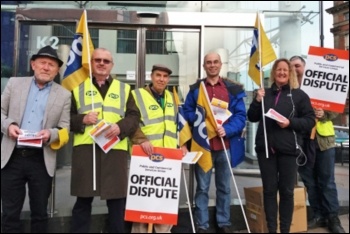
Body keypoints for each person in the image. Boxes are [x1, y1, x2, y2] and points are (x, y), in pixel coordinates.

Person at [1, 45, 71, 233]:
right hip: (12, 156)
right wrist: (9, 126)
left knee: (40, 213)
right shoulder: (14, 84)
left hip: (41, 158)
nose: (46, 67)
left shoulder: (64, 95)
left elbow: (65, 128)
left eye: (52, 65)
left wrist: (50, 134)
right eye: (42, 63)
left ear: (57, 70)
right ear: (33, 64)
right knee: (9, 212)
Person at [69, 48, 140, 233]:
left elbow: (134, 116)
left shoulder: (124, 88)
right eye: (97, 60)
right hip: (86, 150)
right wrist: (81, 119)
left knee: (117, 201)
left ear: (112, 65)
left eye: (106, 61)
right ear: (91, 63)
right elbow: (64, 119)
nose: (101, 63)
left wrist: (120, 127)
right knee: (83, 200)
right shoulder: (77, 89)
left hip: (115, 148)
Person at [247, 58, 315, 233]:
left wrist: (290, 122)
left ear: (290, 73)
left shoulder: (299, 95)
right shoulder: (265, 93)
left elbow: (309, 121)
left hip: (289, 151)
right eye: (279, 70)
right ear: (274, 73)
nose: (282, 73)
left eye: (286, 70)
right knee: (269, 191)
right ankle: (271, 229)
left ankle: (284, 229)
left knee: (287, 192)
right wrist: (256, 100)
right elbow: (252, 117)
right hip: (266, 150)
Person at [183, 52, 246, 233]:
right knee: (202, 188)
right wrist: (199, 119)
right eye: (208, 63)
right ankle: (202, 225)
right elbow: (187, 111)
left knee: (224, 187)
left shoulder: (232, 89)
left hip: (225, 145)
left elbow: (241, 116)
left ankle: (223, 222)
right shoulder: (196, 89)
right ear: (204, 66)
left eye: (215, 62)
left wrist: (228, 129)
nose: (212, 65)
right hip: (203, 146)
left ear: (220, 65)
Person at [290, 55, 346, 233]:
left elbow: (337, 110)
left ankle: (332, 217)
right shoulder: (290, 89)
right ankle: (318, 214)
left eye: (297, 66)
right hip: (302, 141)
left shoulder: (319, 84)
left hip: (323, 141)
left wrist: (324, 113)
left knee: (326, 181)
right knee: (309, 181)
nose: (294, 69)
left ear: (305, 67)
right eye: (291, 67)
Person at [130, 64, 188, 233]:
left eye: (165, 76)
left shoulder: (171, 97)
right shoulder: (137, 95)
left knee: (165, 203)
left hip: (168, 159)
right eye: (158, 75)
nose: (161, 79)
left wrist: (182, 144)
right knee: (142, 203)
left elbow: (176, 124)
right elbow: (130, 121)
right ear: (151, 76)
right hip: (146, 157)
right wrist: (141, 140)